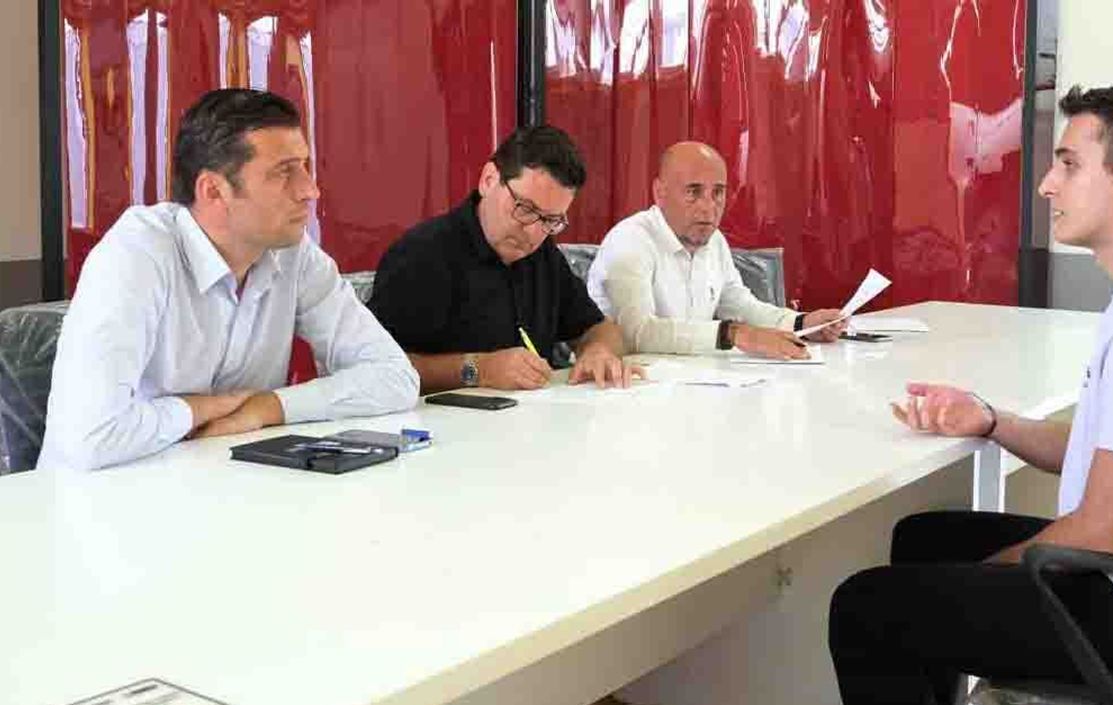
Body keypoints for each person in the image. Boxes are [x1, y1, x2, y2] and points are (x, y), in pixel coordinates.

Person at [828, 84, 1113, 705]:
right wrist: (992, 421)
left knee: (866, 610)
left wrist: (986, 579)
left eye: (1068, 164)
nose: (1046, 185)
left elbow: (1101, 532)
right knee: (925, 539)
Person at [39, 89, 420, 471]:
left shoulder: (292, 254)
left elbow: (396, 378)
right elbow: (88, 438)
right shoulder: (137, 254)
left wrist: (268, 407)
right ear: (213, 191)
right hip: (99, 497)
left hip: (220, 487)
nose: (310, 190)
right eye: (284, 172)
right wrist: (205, 408)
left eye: (304, 167)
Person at [369, 125, 637, 392]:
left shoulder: (543, 255)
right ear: (488, 180)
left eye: (550, 220)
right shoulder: (421, 255)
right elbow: (376, 368)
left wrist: (598, 351)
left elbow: (599, 328)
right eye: (525, 208)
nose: (533, 232)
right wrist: (479, 370)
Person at [586, 141, 847, 358]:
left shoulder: (715, 241)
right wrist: (732, 334)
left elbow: (740, 305)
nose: (708, 207)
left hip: (692, 381)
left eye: (718, 193)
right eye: (693, 192)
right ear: (659, 192)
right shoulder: (630, 240)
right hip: (626, 389)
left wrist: (802, 323)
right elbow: (637, 333)